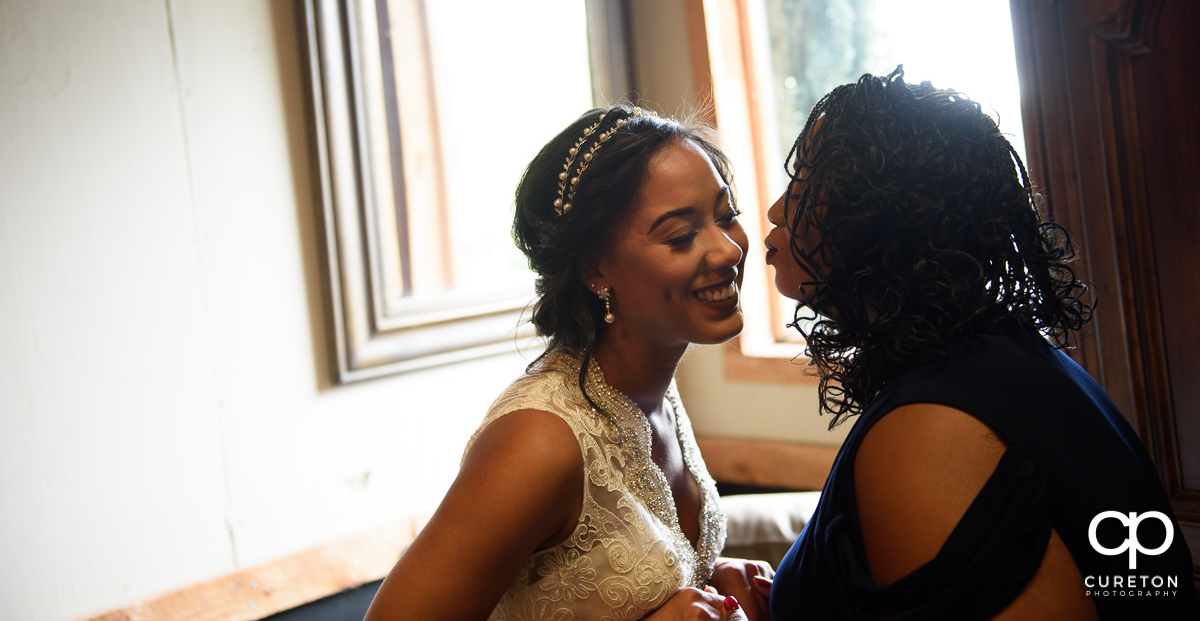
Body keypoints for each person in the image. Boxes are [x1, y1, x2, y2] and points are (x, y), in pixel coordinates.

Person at [759, 69, 1198, 619]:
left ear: (877, 216)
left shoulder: (931, 429)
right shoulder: (1002, 359)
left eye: (802, 181)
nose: (776, 210)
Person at [364, 105, 774, 621]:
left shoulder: (648, 391)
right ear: (596, 267)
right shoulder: (540, 437)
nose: (726, 250)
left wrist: (711, 578)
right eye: (680, 236)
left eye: (726, 215)